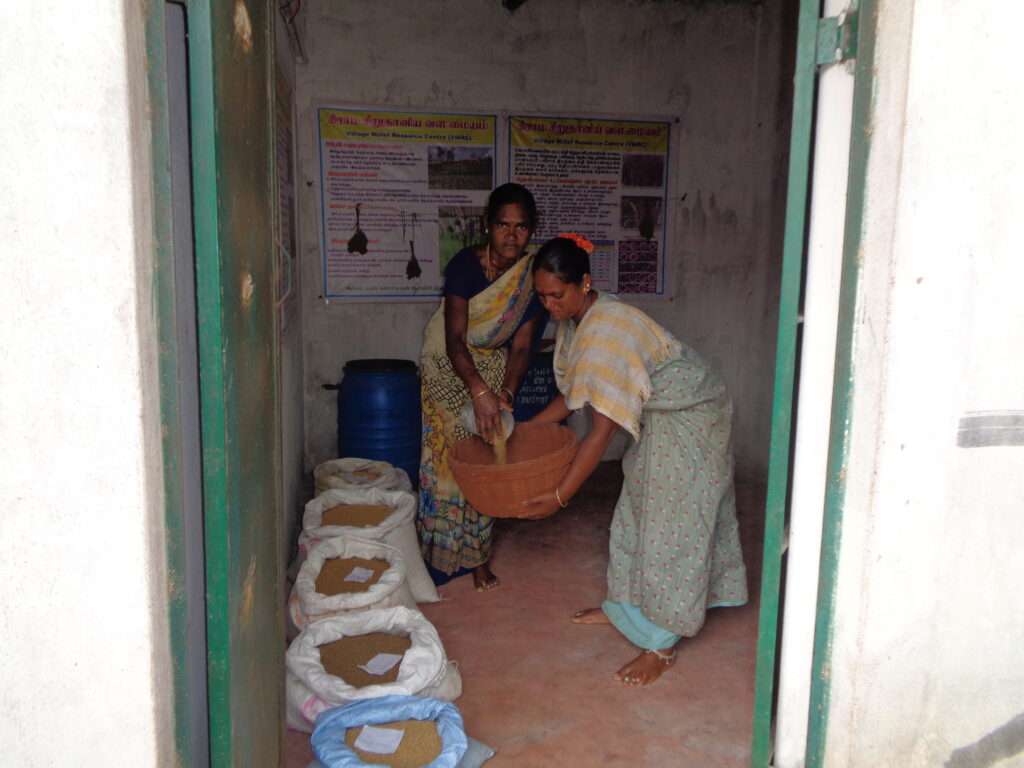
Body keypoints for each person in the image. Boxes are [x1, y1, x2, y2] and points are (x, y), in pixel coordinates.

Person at [521, 234, 747, 686]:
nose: (549, 305)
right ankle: (624, 610)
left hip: (693, 416)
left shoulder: (607, 331)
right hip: (660, 412)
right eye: (542, 295)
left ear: (585, 283)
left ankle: (661, 645)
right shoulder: (580, 317)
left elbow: (600, 431)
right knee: (636, 510)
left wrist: (560, 497)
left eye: (557, 294)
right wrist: (520, 435)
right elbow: (572, 398)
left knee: (675, 524)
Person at [417, 183, 545, 592]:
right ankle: (435, 557)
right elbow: (455, 342)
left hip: (493, 366)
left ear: (532, 230)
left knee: (485, 459)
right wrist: (479, 392)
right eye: (503, 225)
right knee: (445, 463)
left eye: (521, 227)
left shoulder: (530, 277)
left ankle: (476, 558)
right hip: (446, 364)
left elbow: (523, 346)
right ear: (486, 226)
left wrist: (504, 394)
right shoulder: (464, 266)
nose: (511, 235)